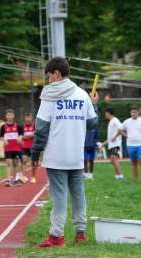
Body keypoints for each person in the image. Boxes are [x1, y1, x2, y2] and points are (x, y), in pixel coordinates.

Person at [31, 57, 98, 248]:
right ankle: (80, 233)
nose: (48, 80)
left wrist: (35, 153)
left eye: (49, 75)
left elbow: (41, 129)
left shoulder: (49, 95)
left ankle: (56, 236)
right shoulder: (83, 94)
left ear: (57, 73)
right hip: (76, 156)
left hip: (56, 156)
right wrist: (94, 104)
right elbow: (92, 124)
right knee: (78, 194)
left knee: (59, 196)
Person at [114, 106, 141, 181]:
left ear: (138, 112)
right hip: (130, 145)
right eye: (132, 112)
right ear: (130, 113)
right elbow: (120, 130)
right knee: (134, 163)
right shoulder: (127, 121)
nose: (134, 114)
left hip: (140, 145)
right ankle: (135, 179)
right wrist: (126, 135)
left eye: (135, 112)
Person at [0, 109, 24, 187]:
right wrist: (4, 140)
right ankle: (8, 179)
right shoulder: (3, 127)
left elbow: (21, 134)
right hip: (8, 148)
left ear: (13, 116)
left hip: (16, 148)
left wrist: (20, 138)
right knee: (8, 162)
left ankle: (14, 179)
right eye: (8, 115)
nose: (9, 117)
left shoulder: (18, 126)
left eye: (11, 115)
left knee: (15, 163)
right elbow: (1, 137)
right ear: (6, 117)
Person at [102, 108, 124, 180]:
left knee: (114, 158)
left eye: (105, 113)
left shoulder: (115, 120)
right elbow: (109, 137)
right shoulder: (111, 121)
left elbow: (121, 129)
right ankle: (117, 175)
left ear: (108, 113)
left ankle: (120, 175)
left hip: (116, 143)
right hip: (111, 144)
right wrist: (103, 144)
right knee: (112, 159)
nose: (105, 115)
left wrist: (115, 137)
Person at [21, 113, 37, 183]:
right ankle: (24, 177)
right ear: (25, 119)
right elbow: (21, 137)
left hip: (33, 147)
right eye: (26, 118)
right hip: (25, 147)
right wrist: (30, 136)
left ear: (31, 118)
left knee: (33, 162)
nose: (28, 119)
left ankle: (33, 177)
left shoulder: (34, 126)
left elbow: (35, 135)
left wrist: (27, 137)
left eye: (29, 117)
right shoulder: (22, 127)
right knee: (24, 161)